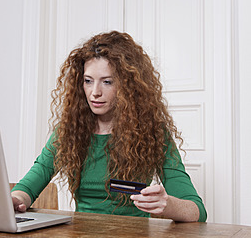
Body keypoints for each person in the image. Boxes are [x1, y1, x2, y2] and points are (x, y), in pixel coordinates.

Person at [11, 31, 207, 222]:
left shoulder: (152, 133)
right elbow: (29, 186)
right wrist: (15, 200)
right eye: (88, 81)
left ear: (128, 86)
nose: (94, 92)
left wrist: (167, 205)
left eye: (107, 82)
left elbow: (197, 211)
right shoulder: (69, 131)